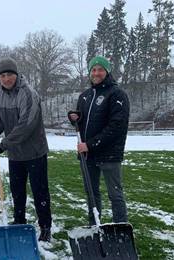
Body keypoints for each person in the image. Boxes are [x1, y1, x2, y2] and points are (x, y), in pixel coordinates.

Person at [0, 57, 52, 242]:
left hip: (34, 151)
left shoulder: (28, 93)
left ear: (17, 75)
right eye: (3, 75)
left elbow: (26, 125)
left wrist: (3, 145)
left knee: (40, 191)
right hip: (15, 154)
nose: (6, 79)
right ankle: (19, 220)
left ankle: (45, 226)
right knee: (17, 190)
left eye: (10, 75)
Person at [68, 55, 130, 225]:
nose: (96, 73)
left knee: (115, 194)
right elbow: (83, 120)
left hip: (109, 154)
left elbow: (116, 127)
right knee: (92, 193)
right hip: (88, 155)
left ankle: (120, 227)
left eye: (100, 69)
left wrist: (90, 144)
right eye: (93, 70)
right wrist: (75, 118)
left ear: (107, 71)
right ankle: (93, 225)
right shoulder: (85, 96)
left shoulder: (117, 94)